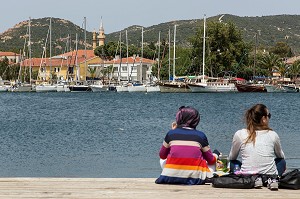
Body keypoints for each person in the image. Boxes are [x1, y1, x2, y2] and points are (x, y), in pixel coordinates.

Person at [228, 104, 286, 190]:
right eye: (268, 116)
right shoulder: (273, 135)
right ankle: (271, 180)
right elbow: (281, 156)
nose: (269, 118)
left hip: (248, 175)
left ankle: (255, 178)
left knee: (233, 163)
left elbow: (232, 157)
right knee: (281, 161)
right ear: (263, 119)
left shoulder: (240, 134)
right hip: (269, 174)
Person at [155, 106, 217, 185]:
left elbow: (162, 156)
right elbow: (211, 160)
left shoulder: (171, 133)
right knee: (213, 160)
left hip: (171, 175)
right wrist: (216, 156)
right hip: (196, 178)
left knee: (162, 161)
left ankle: (173, 174)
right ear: (196, 120)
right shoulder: (200, 136)